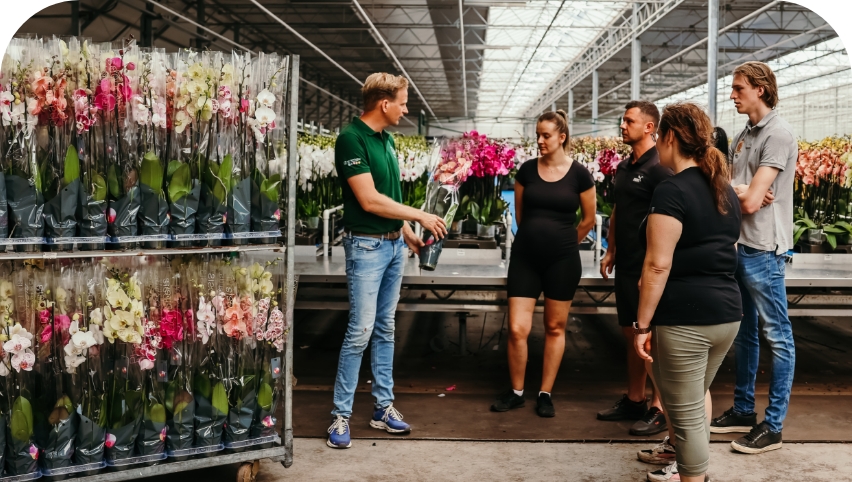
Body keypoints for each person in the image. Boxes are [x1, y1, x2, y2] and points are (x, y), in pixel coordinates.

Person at [326, 73, 448, 449]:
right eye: (403, 101)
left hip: (393, 246)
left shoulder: (387, 139)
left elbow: (389, 193)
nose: (406, 108)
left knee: (385, 328)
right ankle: (340, 415)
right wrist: (420, 215)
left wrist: (406, 231)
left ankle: (383, 407)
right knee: (360, 330)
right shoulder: (351, 138)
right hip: (365, 247)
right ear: (384, 103)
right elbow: (369, 199)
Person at [633, 102, 742, 482]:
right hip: (727, 315)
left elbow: (657, 265)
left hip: (687, 319)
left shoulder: (671, 191)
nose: (656, 144)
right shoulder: (723, 189)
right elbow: (726, 250)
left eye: (659, 136)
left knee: (687, 413)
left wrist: (642, 323)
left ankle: (693, 476)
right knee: (695, 398)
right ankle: (682, 463)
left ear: (671, 137)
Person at [710, 61, 797, 455]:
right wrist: (741, 189)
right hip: (740, 246)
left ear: (760, 89)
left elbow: (743, 202)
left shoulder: (777, 135)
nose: (732, 95)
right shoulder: (746, 134)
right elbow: (728, 190)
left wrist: (739, 193)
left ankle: (773, 426)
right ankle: (744, 410)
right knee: (745, 335)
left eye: (738, 88)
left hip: (764, 250)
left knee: (778, 337)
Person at [490, 110, 596, 418]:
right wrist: (538, 239)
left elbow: (588, 220)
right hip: (526, 257)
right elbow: (521, 216)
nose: (539, 140)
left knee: (554, 326)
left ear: (561, 137)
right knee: (517, 328)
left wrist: (563, 243)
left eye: (546, 135)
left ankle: (545, 393)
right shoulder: (526, 171)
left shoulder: (580, 174)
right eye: (538, 134)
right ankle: (516, 391)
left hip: (562, 261)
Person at [598, 101, 672, 436]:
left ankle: (658, 408)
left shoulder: (660, 168)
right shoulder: (625, 166)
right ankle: (634, 398)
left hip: (648, 267)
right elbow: (618, 211)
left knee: (651, 338)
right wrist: (611, 249)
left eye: (629, 121)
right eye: (623, 120)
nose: (622, 125)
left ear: (649, 127)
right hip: (626, 263)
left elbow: (668, 220)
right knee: (631, 334)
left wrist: (652, 267)